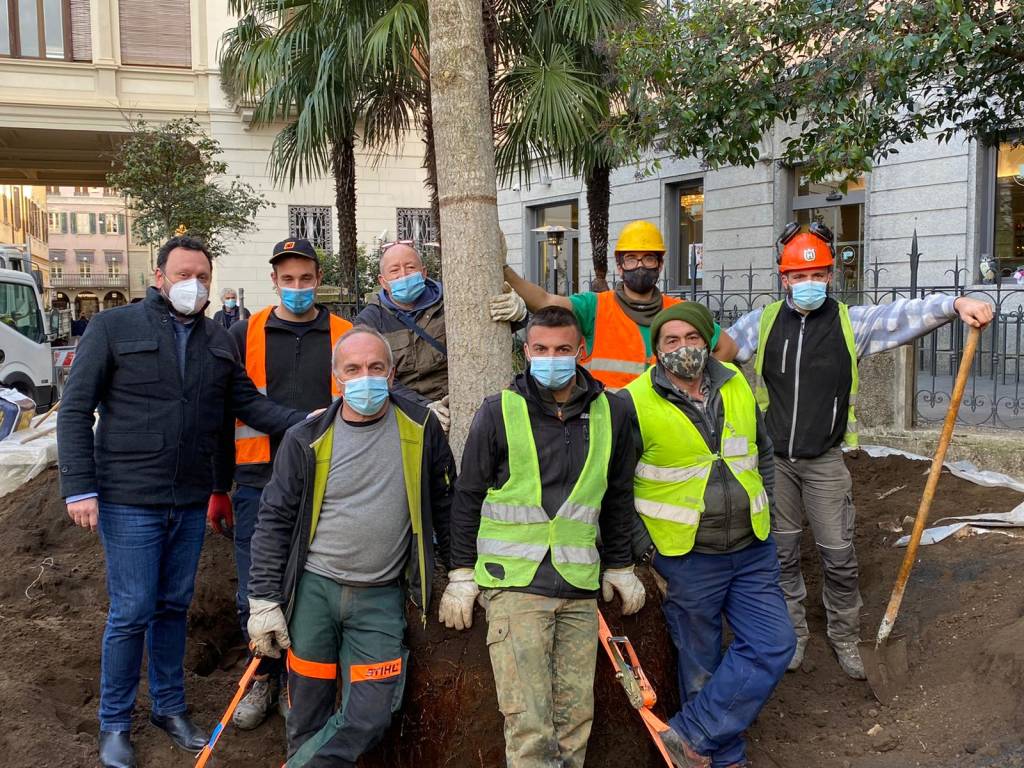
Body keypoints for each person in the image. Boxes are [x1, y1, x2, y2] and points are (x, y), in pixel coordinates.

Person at [57, 235, 309, 768]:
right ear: (159, 276)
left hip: (189, 499)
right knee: (131, 611)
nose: (193, 284)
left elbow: (246, 407)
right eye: (183, 273)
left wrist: (313, 423)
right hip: (128, 497)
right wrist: (79, 488)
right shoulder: (113, 328)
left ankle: (168, 709)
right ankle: (115, 722)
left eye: (202, 275)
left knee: (173, 607)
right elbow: (74, 410)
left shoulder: (218, 340)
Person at [727, 222, 995, 679]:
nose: (808, 284)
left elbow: (904, 315)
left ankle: (845, 636)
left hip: (826, 461)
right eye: (798, 276)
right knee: (782, 553)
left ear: (830, 277)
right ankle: (794, 635)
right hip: (774, 465)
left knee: (838, 553)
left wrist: (955, 304)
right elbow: (720, 348)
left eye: (817, 276)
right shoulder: (762, 323)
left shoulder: (851, 324)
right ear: (783, 277)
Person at [441, 305, 645, 768]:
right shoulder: (499, 411)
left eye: (562, 349)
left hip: (578, 586)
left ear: (581, 351)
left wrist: (620, 565)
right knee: (531, 727)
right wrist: (460, 574)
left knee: (575, 724)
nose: (551, 357)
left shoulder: (611, 412)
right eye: (540, 349)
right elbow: (468, 495)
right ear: (526, 352)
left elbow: (616, 496)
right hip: (516, 587)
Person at [245, 326, 455, 768]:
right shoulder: (308, 438)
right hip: (314, 596)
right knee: (306, 713)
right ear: (337, 378)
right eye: (354, 369)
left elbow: (446, 502)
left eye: (376, 367)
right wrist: (264, 598)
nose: (366, 377)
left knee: (370, 714)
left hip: (380, 597)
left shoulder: (420, 429)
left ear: (392, 374)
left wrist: (461, 573)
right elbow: (274, 520)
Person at [622, 302, 795, 768]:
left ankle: (689, 734)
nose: (683, 348)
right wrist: (647, 549)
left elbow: (763, 453)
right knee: (699, 665)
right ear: (656, 349)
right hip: (686, 556)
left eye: (692, 338)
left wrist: (768, 515)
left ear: (707, 340)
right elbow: (617, 486)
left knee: (774, 643)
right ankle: (725, 758)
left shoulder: (735, 382)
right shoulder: (633, 401)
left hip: (751, 548)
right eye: (671, 341)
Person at [208, 237, 352, 730]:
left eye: (305, 279)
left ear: (319, 279)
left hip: (327, 481)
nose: (296, 288)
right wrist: (218, 485)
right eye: (287, 280)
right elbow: (228, 408)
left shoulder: (343, 334)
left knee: (314, 583)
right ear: (274, 281)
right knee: (256, 586)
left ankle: (301, 679)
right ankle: (263, 675)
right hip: (257, 479)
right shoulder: (242, 333)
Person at [489, 220, 738, 389]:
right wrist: (504, 269)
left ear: (659, 265)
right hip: (610, 423)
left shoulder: (679, 312)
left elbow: (727, 347)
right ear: (619, 266)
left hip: (664, 422)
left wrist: (691, 380)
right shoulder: (594, 307)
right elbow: (544, 301)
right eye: (631, 259)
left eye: (649, 258)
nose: (640, 266)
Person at [354, 242, 451, 430]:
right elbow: (377, 375)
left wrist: (518, 314)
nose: (404, 275)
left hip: (455, 401)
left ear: (423, 273)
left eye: (410, 267)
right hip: (403, 410)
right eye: (395, 270)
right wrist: (423, 407)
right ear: (383, 281)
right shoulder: (370, 321)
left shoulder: (451, 301)